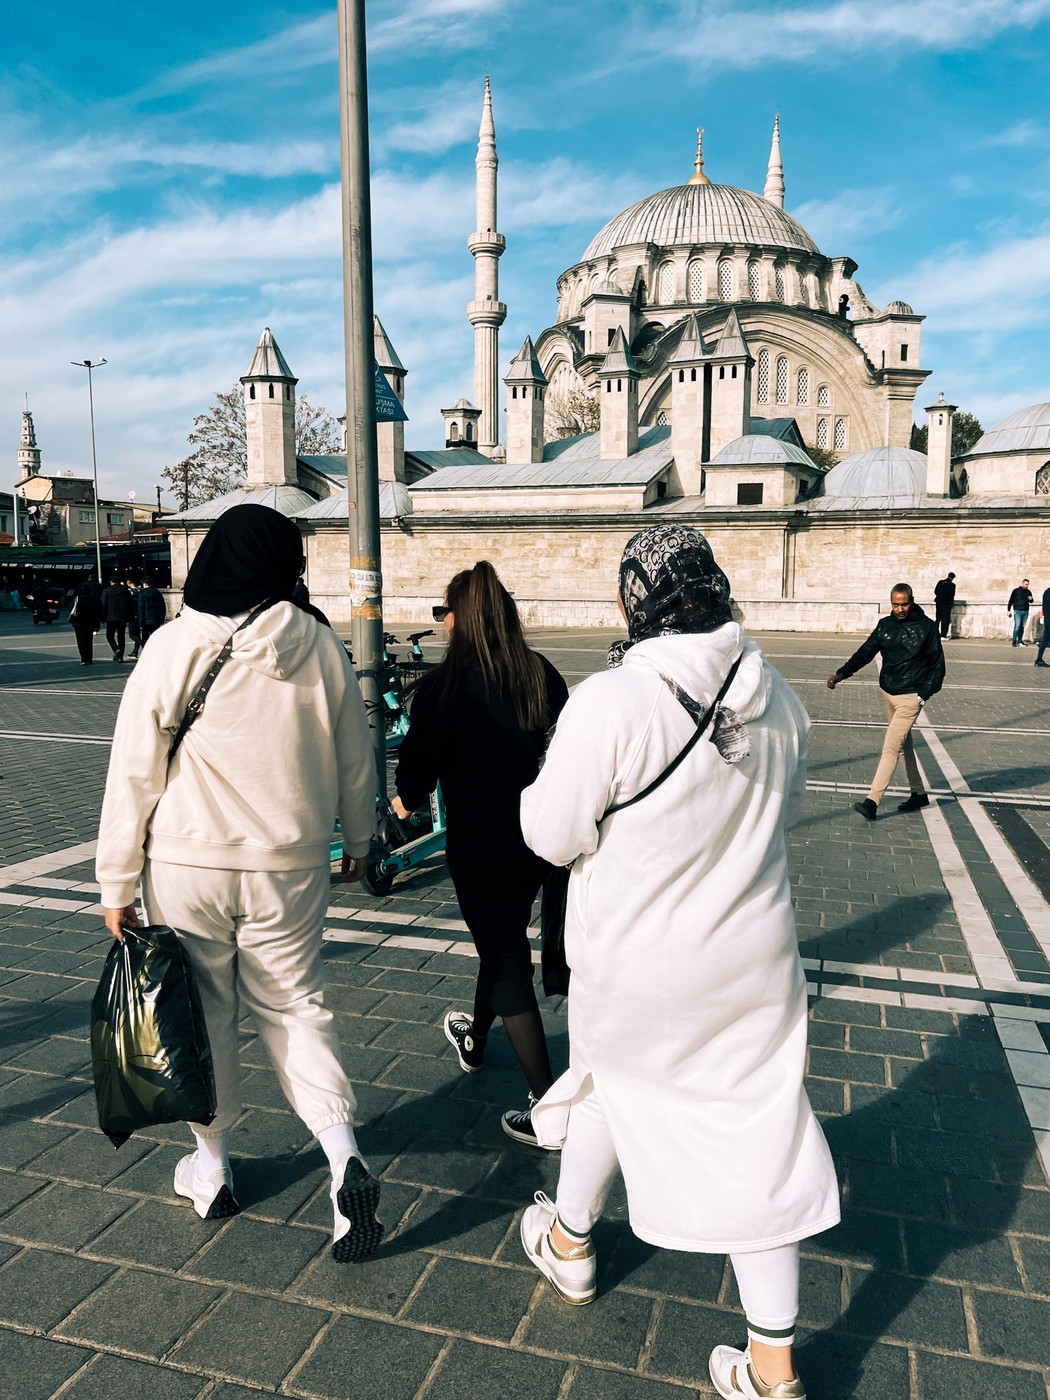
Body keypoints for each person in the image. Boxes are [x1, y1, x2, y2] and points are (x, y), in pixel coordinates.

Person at [515, 524, 837, 1400]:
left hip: (640, 968)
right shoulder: (780, 699)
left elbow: (549, 834)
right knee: (760, 1134)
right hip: (754, 966)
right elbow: (788, 813)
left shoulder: (613, 701)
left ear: (635, 600)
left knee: (613, 1083)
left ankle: (572, 1245)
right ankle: (772, 1370)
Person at [95, 504, 382, 1262]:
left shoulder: (173, 644)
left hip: (188, 863)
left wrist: (115, 880)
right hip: (289, 862)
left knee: (205, 1015)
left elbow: (133, 772)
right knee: (295, 1004)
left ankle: (213, 1166)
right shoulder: (319, 643)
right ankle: (342, 1152)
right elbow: (355, 752)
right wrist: (359, 838)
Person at [393, 561, 568, 1146]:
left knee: (505, 953)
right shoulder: (538, 673)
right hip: (538, 841)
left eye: (445, 614)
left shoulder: (442, 690)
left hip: (478, 845)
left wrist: (402, 802)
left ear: (461, 621)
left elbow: (414, 776)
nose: (441, 625)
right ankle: (476, 1040)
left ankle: (547, 1105)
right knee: (500, 943)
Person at [827, 583, 944, 820]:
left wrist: (923, 694)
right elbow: (866, 652)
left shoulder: (927, 627)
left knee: (891, 747)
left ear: (912, 601)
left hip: (910, 698)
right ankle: (919, 794)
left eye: (904, 604)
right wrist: (841, 673)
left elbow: (938, 666)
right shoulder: (885, 625)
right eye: (895, 604)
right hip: (889, 694)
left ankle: (872, 801)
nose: (900, 609)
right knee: (903, 746)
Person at [100, 576, 135, 662]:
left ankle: (116, 650)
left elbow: (103, 605)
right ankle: (120, 656)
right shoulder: (125, 591)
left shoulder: (107, 591)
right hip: (123, 617)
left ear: (111, 582)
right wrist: (131, 617)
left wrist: (102, 617)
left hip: (110, 617)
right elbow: (131, 604)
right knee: (121, 636)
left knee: (110, 636)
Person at [70, 574, 102, 665]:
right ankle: (89, 658)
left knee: (80, 641)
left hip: (78, 623)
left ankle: (83, 658)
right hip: (90, 623)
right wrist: (97, 624)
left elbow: (71, 610)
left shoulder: (76, 599)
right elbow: (97, 612)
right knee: (89, 640)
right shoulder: (92, 599)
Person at [133, 576, 167, 656]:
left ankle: (147, 653)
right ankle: (157, 652)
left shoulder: (142, 594)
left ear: (145, 584)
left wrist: (140, 623)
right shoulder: (157, 593)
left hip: (146, 620)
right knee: (155, 636)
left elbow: (141, 609)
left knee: (145, 637)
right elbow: (163, 606)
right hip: (156, 619)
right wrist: (162, 618)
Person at [1008, 579, 1034, 646]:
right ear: (1022, 583)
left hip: (1025, 611)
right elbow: (1011, 600)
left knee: (1022, 627)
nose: (1027, 586)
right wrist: (1008, 610)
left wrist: (1031, 599)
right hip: (1018, 611)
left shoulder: (1028, 592)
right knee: (1017, 626)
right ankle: (1014, 641)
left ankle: (1020, 640)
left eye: (1028, 584)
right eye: (1026, 584)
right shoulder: (1016, 591)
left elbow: (1031, 601)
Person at [933, 571, 956, 639]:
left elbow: (935, 591)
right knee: (945, 620)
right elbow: (952, 595)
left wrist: (940, 596)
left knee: (938, 618)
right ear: (953, 578)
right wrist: (950, 603)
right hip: (946, 604)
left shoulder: (940, 582)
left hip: (938, 602)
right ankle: (943, 635)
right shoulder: (952, 585)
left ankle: (934, 633)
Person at [1036, 584, 1050, 668]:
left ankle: (1039, 660)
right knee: (1045, 640)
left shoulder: (1047, 592)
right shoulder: (1048, 593)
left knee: (1045, 640)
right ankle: (1038, 660)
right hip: (1049, 619)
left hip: (1048, 619)